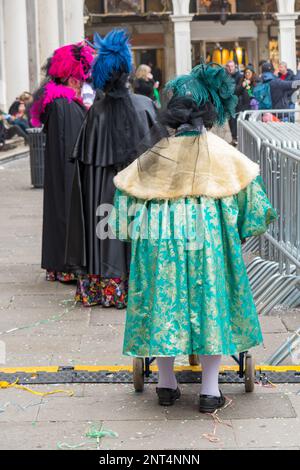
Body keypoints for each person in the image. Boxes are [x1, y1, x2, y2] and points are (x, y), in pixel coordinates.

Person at [111, 63, 277, 413]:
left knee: (163, 301)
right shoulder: (221, 153)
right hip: (208, 241)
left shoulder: (155, 154)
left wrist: (131, 233)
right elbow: (254, 203)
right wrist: (242, 230)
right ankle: (209, 389)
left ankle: (166, 383)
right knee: (211, 302)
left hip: (160, 239)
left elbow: (124, 198)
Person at [65, 30, 157, 308]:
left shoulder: (96, 112)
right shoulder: (146, 106)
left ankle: (106, 284)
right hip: (139, 191)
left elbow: (85, 164)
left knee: (106, 230)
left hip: (104, 192)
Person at [30, 42, 94, 282]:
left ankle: (60, 264)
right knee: (67, 214)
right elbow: (71, 146)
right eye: (80, 79)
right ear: (72, 80)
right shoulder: (64, 106)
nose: (82, 84)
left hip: (63, 173)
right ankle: (67, 265)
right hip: (69, 175)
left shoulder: (61, 104)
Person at [225, 60, 243, 146]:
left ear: (235, 67)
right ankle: (234, 138)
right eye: (228, 66)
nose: (230, 68)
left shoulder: (239, 76)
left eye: (232, 66)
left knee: (236, 120)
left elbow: (238, 89)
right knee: (230, 120)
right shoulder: (224, 76)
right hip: (228, 102)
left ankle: (237, 138)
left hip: (238, 102)